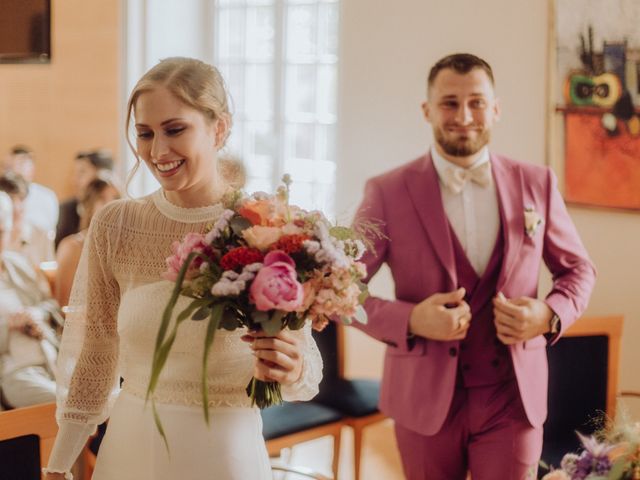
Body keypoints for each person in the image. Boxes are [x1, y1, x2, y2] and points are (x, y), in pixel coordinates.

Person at [43, 57, 322, 480]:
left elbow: (304, 370)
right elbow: (95, 352)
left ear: (219, 128)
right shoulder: (115, 224)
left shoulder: (265, 225)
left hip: (226, 455)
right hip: (132, 448)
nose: (158, 151)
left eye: (175, 130)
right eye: (145, 133)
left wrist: (292, 365)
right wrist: (59, 465)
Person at [352, 53, 596, 480]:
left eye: (477, 102)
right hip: (423, 400)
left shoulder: (536, 182)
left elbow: (578, 270)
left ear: (496, 108)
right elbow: (339, 290)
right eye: (449, 102)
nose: (463, 116)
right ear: (427, 110)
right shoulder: (387, 191)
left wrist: (547, 313)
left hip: (512, 398)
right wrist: (411, 319)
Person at [0, 191, 63, 408]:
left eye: (1, 232)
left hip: (50, 357)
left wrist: (36, 314)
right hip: (14, 371)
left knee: (104, 393)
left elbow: (51, 305)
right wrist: (9, 325)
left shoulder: (17, 264)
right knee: (71, 402)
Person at [55, 176, 121, 308]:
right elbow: (64, 304)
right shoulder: (73, 247)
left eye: (115, 198)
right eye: (102, 199)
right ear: (89, 205)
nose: (110, 205)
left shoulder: (125, 245)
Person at [55, 149, 115, 249]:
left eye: (82, 172)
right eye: (75, 173)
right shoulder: (67, 208)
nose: (74, 180)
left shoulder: (119, 209)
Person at [0, 171, 56, 266]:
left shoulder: (40, 234)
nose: (17, 207)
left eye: (21, 199)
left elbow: (50, 273)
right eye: (11, 198)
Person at [3, 145, 59, 238]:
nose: (15, 170)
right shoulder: (2, 195)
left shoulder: (47, 197)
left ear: (32, 168)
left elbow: (49, 233)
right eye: (9, 166)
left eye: (21, 164)